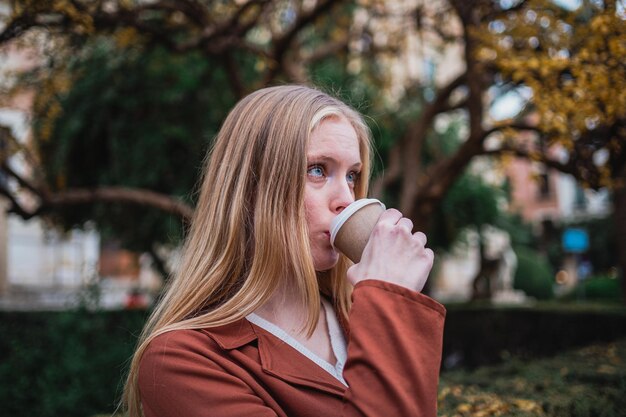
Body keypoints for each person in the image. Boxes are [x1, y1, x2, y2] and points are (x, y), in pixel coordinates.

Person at [123, 85, 446, 417]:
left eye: (352, 176)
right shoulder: (181, 361)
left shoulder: (358, 315)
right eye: (317, 170)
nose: (347, 200)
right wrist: (387, 302)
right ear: (250, 191)